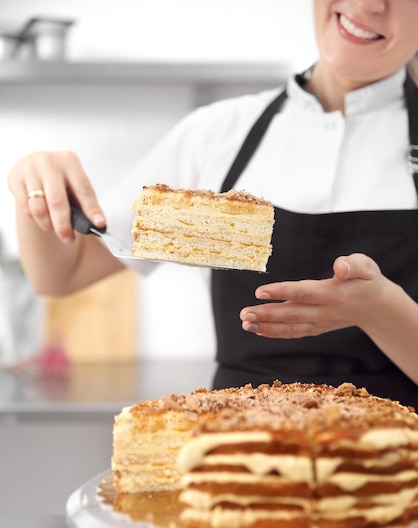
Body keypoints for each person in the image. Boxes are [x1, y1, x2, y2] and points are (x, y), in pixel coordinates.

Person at [7, 0, 418, 407]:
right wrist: (33, 187)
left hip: (397, 460)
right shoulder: (217, 133)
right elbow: (61, 274)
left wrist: (382, 309)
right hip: (232, 454)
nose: (368, 3)